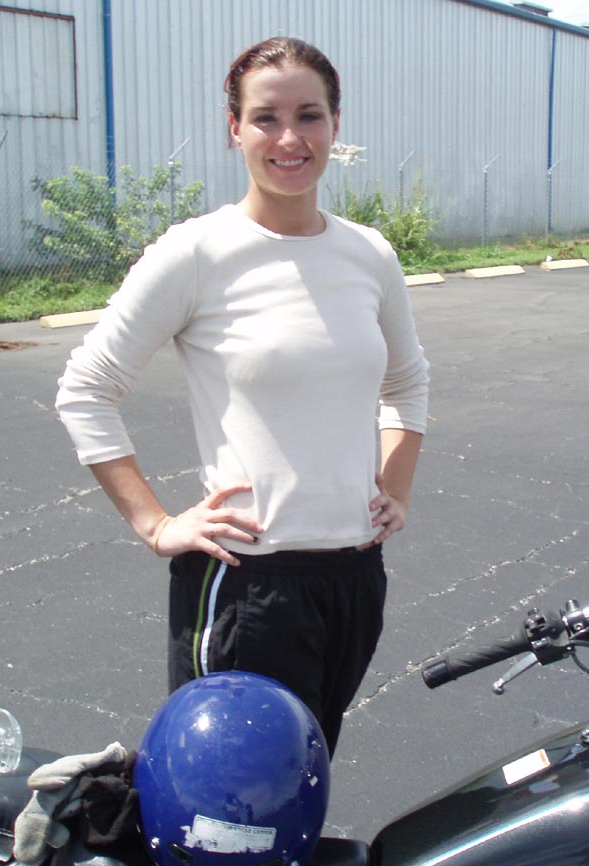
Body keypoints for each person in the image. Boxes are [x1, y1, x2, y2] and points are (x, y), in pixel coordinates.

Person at [55, 36, 429, 755]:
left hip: (353, 577)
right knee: (231, 795)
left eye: (309, 115)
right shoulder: (197, 252)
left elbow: (407, 382)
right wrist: (156, 525)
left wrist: (396, 489)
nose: (289, 138)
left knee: (307, 774)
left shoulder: (369, 254)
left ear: (335, 125)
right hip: (247, 587)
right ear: (234, 129)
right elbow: (86, 389)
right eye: (265, 118)